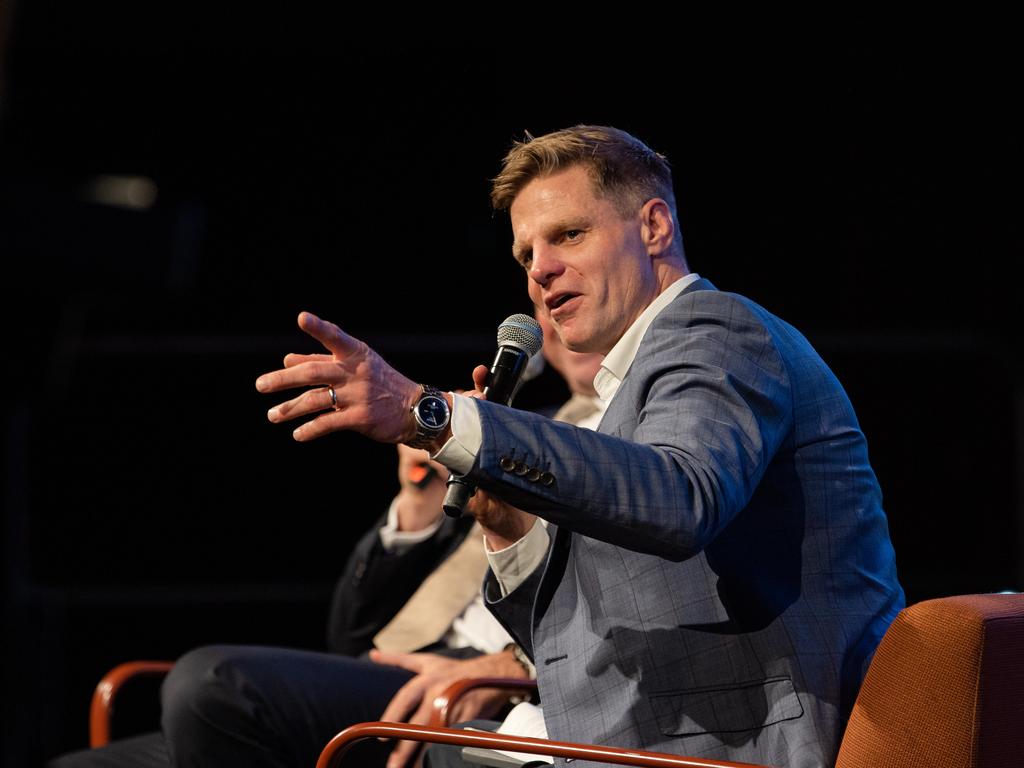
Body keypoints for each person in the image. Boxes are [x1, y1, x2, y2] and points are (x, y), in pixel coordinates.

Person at [254, 125, 904, 768]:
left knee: (227, 696)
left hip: (726, 745)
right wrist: (507, 529)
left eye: (568, 234)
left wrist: (431, 416)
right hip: (610, 731)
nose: (540, 269)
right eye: (525, 254)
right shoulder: (628, 389)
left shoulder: (716, 327)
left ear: (653, 227)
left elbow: (679, 499)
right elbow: (568, 640)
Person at [47, 319, 603, 768]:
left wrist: (512, 666)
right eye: (528, 267)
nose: (550, 303)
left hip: (491, 685)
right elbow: (351, 634)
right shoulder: (501, 428)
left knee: (209, 686)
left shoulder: (635, 453)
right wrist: (419, 500)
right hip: (396, 671)